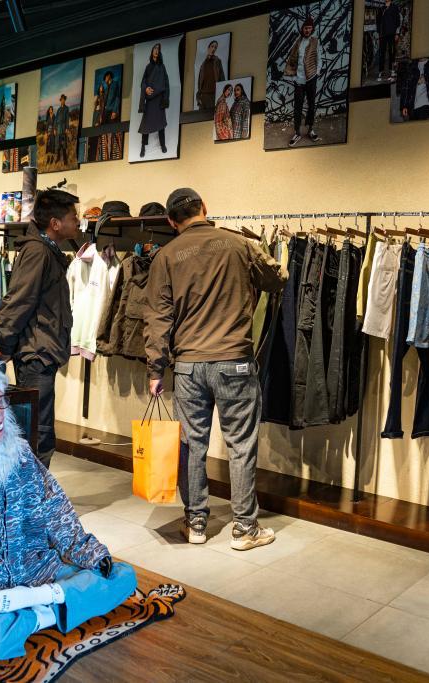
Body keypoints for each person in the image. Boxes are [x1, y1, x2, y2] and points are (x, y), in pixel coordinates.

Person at [0, 356, 136, 664]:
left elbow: (56, 511)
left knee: (124, 577)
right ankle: (55, 606)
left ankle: (33, 606)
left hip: (37, 571)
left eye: (0, 401)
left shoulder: (21, 455)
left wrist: (90, 553)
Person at [145, 188, 288, 550]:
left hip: (188, 367)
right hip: (234, 362)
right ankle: (245, 528)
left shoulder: (166, 256)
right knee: (240, 445)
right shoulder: (239, 244)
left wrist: (155, 370)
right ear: (204, 208)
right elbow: (277, 279)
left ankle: (195, 523)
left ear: (171, 221)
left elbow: (158, 317)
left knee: (192, 445)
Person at [0, 189, 80, 469]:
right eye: (73, 217)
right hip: (36, 354)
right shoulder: (38, 252)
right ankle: (32, 491)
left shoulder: (47, 251)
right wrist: (5, 343)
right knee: (36, 432)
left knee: (37, 429)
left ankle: (34, 488)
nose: (77, 222)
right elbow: (20, 299)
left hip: (42, 351)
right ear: (55, 223)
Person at [284, 16, 321, 147]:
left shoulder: (315, 42)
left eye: (309, 28)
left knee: (311, 104)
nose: (307, 30)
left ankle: (310, 130)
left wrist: (316, 73)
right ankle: (297, 132)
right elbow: (292, 59)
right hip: (299, 80)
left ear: (312, 29)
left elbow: (319, 59)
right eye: (305, 28)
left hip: (311, 79)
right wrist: (293, 76)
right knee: (298, 107)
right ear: (302, 29)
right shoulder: (298, 42)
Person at [138, 43, 170, 158]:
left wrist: (165, 99)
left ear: (159, 52)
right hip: (150, 100)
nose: (156, 50)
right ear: (152, 52)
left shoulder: (162, 67)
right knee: (145, 125)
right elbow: (143, 82)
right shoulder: (148, 67)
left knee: (161, 123)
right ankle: (143, 146)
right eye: (155, 49)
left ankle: (163, 145)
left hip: (159, 99)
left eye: (158, 49)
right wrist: (146, 88)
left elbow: (166, 83)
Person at [398, 56, 429, 120]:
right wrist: (404, 105)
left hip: (427, 105)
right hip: (412, 106)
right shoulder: (411, 66)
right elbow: (406, 87)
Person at [196, 40, 226, 109]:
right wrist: (199, 97)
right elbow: (199, 82)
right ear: (208, 48)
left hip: (213, 95)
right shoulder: (203, 64)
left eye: (215, 47)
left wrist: (222, 95)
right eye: (212, 46)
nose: (213, 49)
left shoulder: (217, 61)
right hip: (203, 96)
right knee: (202, 115)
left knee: (213, 114)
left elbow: (222, 78)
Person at [377, 0, 402, 80]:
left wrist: (397, 33)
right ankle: (381, 71)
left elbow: (398, 21)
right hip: (382, 35)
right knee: (382, 53)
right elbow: (378, 21)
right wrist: (378, 33)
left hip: (392, 34)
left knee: (392, 52)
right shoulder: (381, 8)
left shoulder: (394, 7)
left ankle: (392, 70)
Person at [55, 94, 71, 166]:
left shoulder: (66, 108)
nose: (62, 101)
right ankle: (58, 157)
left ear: (65, 100)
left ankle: (65, 160)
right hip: (58, 128)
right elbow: (56, 120)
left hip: (63, 127)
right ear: (60, 100)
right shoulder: (58, 109)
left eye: (64, 99)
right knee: (58, 144)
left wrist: (67, 128)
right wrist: (55, 129)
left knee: (64, 144)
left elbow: (67, 119)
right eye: (61, 99)